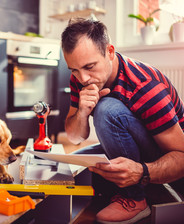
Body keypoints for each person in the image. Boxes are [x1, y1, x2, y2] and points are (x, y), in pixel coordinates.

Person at [61, 18, 184, 224]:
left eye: (89, 66)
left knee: (106, 109)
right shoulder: (80, 77)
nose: (83, 78)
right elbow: (74, 137)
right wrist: (82, 112)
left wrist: (141, 172)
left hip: (169, 159)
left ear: (109, 52)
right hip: (134, 146)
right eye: (74, 69)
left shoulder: (146, 86)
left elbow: (182, 156)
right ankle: (130, 191)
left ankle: (134, 199)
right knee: (71, 164)